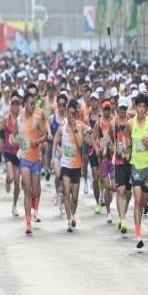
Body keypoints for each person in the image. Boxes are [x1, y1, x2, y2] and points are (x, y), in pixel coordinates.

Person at [52, 99, 92, 232]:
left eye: (73, 114)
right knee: (66, 190)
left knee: (74, 197)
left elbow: (82, 141)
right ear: (66, 114)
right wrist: (54, 156)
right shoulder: (62, 128)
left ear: (76, 114)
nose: (71, 116)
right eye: (69, 113)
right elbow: (55, 141)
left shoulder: (79, 126)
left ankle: (73, 215)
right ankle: (69, 219)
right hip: (65, 165)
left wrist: (87, 131)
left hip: (76, 166)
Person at [12, 91, 48, 234]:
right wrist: (14, 141)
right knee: (27, 189)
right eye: (31, 103)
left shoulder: (37, 119)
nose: (34, 106)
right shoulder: (19, 119)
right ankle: (28, 223)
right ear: (25, 104)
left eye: (34, 103)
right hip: (25, 159)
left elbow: (45, 134)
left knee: (35, 190)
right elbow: (14, 135)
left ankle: (35, 203)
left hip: (36, 159)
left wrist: (37, 141)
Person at [125, 93, 148, 249]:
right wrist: (127, 149)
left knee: (143, 202)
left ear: (146, 108)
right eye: (139, 106)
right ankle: (138, 235)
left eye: (144, 106)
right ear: (135, 107)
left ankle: (144, 207)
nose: (141, 109)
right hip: (135, 166)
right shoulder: (130, 123)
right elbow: (125, 137)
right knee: (137, 200)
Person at [0, 91, 22, 216]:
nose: (15, 106)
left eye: (17, 104)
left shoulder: (22, 119)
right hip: (8, 152)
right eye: (13, 104)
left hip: (19, 153)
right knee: (11, 178)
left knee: (17, 181)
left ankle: (14, 206)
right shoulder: (6, 119)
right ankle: (7, 181)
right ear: (11, 105)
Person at [94, 98, 115, 223]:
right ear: (102, 109)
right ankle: (108, 212)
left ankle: (108, 202)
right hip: (103, 159)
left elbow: (118, 137)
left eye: (109, 108)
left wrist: (113, 147)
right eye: (105, 109)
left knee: (113, 187)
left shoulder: (114, 122)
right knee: (107, 186)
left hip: (113, 157)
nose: (107, 111)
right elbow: (93, 138)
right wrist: (97, 148)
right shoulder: (98, 123)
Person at [112, 97, 132, 234]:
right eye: (121, 108)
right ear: (117, 109)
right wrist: (113, 147)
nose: (123, 111)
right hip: (119, 161)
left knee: (128, 193)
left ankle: (122, 213)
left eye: (125, 108)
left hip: (130, 161)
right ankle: (122, 219)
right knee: (121, 191)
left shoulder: (131, 122)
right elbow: (109, 139)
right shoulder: (113, 123)